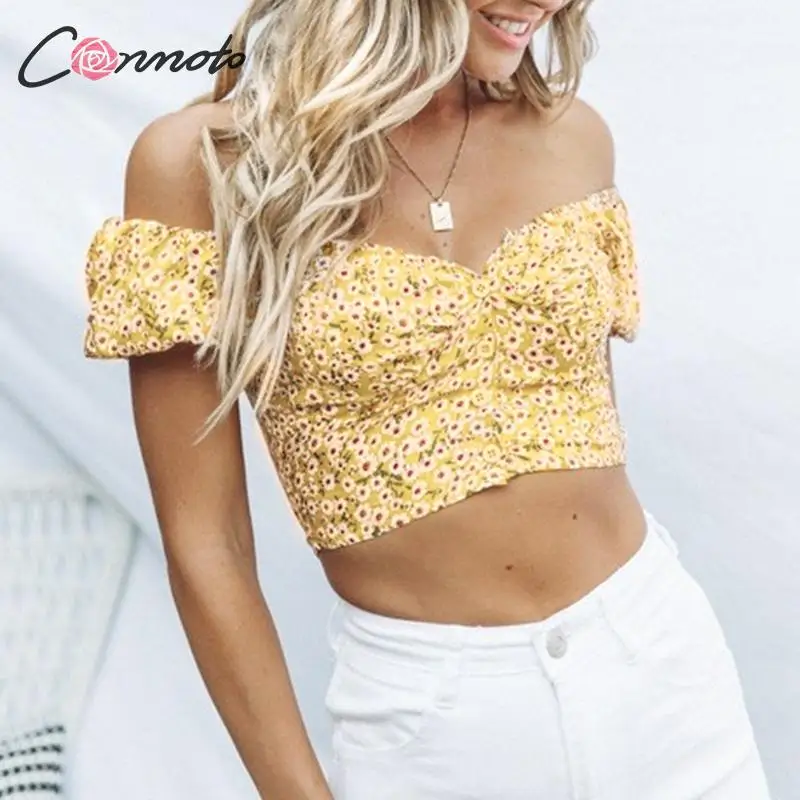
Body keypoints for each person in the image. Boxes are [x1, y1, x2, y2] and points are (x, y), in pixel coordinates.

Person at [82, 1, 772, 797]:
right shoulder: (203, 165)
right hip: (432, 725)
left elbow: (580, 427)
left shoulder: (573, 137)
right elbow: (208, 544)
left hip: (663, 673)